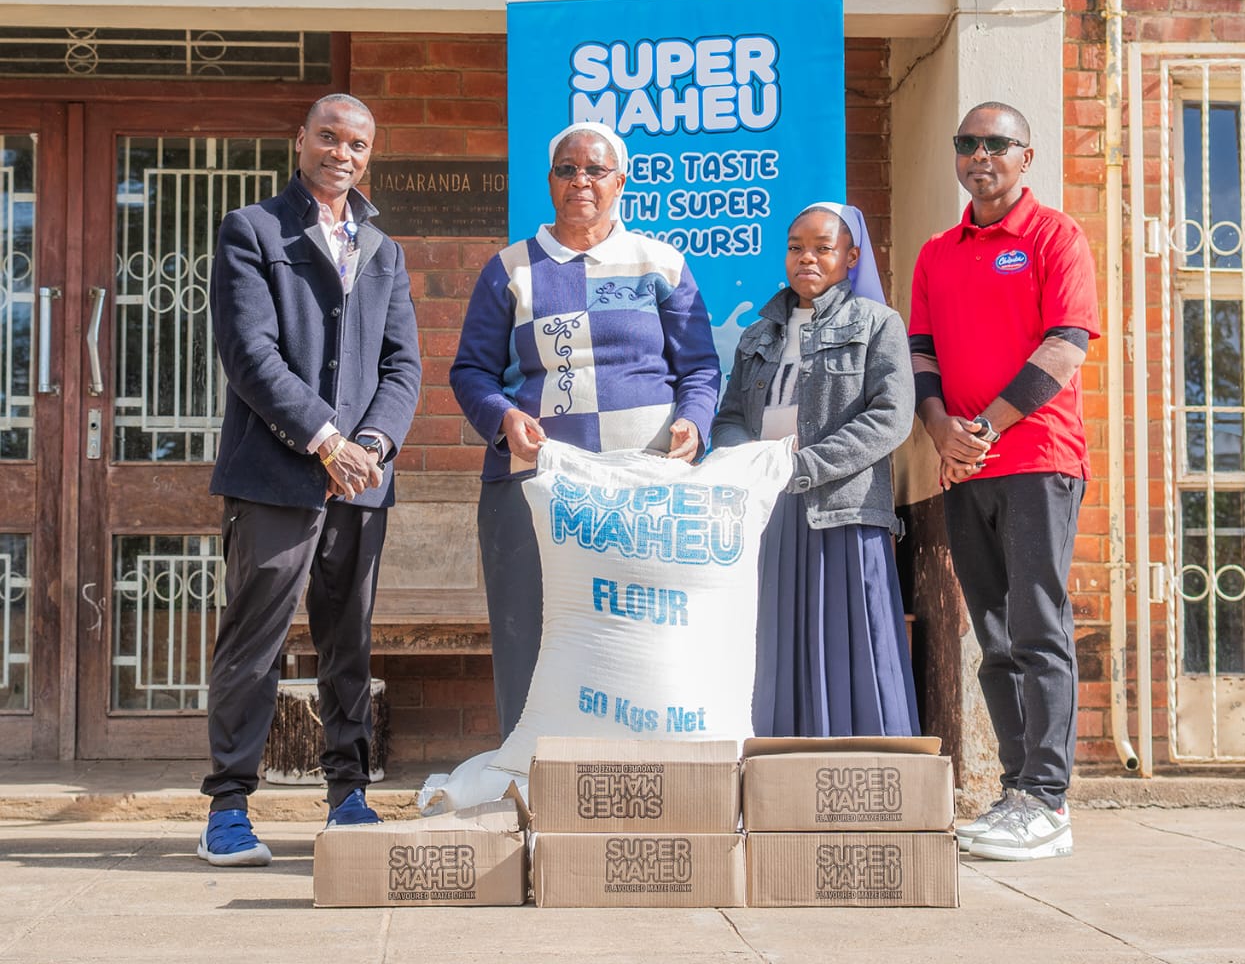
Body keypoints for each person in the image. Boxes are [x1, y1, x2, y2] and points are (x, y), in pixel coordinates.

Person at [198, 94, 422, 866]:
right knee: (254, 642)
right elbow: (250, 354)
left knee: (346, 642)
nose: (341, 152)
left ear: (370, 154)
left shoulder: (383, 248)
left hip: (361, 483)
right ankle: (228, 805)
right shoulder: (253, 231)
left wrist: (371, 444)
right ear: (300, 141)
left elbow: (402, 365)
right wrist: (325, 439)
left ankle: (348, 795)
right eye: (328, 136)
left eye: (357, 142)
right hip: (274, 477)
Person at [449, 121, 721, 739]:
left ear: (621, 181)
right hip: (535, 485)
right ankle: (530, 767)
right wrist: (502, 416)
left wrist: (693, 422)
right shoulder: (510, 269)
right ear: (549, 181)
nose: (581, 181)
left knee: (641, 633)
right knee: (532, 627)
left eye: (595, 169)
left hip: (641, 484)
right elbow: (470, 371)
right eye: (567, 169)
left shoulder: (661, 263)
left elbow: (700, 367)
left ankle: (641, 764)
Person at [909, 101, 1099, 861]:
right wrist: (937, 428)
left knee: (1037, 627)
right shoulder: (936, 252)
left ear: (1026, 157)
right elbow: (922, 351)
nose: (980, 155)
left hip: (1038, 461)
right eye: (968, 144)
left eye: (997, 144)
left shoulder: (1055, 236)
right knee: (992, 636)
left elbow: (1068, 345)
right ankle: (1018, 792)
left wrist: (980, 426)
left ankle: (1048, 799)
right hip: (963, 469)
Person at [712, 202, 920, 738]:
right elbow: (731, 415)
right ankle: (776, 772)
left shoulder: (878, 324)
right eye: (796, 247)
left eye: (823, 248)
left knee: (852, 645)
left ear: (850, 257)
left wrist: (801, 467)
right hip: (766, 509)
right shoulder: (758, 334)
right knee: (773, 642)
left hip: (842, 510)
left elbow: (890, 419)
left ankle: (868, 773)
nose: (807, 258)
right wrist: (750, 465)